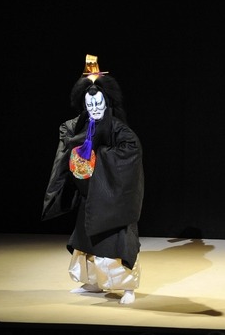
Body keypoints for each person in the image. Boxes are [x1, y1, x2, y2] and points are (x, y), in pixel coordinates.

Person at [42, 54, 145, 305]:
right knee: (85, 241)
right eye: (90, 105)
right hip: (90, 194)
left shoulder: (118, 128)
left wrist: (98, 156)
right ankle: (92, 282)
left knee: (115, 244)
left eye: (99, 103)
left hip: (113, 199)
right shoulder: (81, 125)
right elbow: (69, 141)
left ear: (107, 102)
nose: (95, 108)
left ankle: (127, 287)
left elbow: (131, 151)